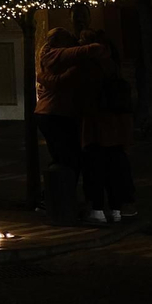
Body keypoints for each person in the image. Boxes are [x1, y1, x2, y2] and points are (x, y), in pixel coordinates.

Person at [35, 27, 103, 196]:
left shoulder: (53, 56)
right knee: (67, 157)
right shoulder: (57, 54)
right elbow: (91, 50)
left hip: (54, 112)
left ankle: (57, 197)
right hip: (55, 112)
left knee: (65, 157)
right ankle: (56, 197)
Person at [80, 30, 134, 224]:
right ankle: (117, 209)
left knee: (95, 168)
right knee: (115, 169)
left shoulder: (90, 65)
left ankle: (97, 209)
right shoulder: (112, 63)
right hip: (117, 125)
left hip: (97, 123)